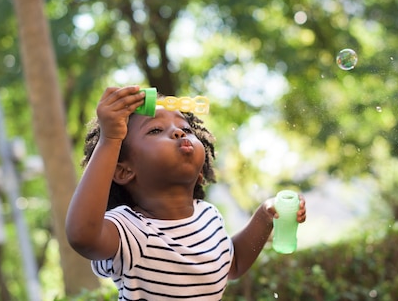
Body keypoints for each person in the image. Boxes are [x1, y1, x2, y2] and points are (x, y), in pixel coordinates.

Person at [66, 85, 307, 300]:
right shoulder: (132, 230)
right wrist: (110, 139)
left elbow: (231, 265)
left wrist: (265, 216)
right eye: (155, 130)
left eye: (185, 127)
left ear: (200, 172)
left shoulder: (208, 216)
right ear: (123, 171)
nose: (179, 132)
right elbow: (82, 236)